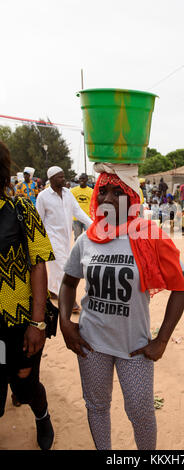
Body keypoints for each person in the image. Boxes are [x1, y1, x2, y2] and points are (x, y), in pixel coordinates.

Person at [58, 168, 184, 450]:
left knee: (141, 412)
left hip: (135, 348)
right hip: (91, 344)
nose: (107, 198)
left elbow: (180, 286)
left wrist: (162, 340)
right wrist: (65, 323)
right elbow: (68, 283)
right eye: (103, 191)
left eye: (118, 192)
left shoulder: (149, 236)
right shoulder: (86, 239)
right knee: (97, 406)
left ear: (133, 198)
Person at [0, 141, 55, 450]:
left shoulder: (21, 209)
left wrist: (38, 323)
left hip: (19, 321)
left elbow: (38, 264)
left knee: (24, 383)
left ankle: (42, 415)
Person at [36, 166, 92, 306]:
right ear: (51, 179)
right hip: (51, 237)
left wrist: (93, 225)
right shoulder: (43, 196)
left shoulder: (68, 193)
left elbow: (78, 212)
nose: (63, 179)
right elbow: (39, 220)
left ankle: (52, 290)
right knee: (62, 266)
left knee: (58, 266)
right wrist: (39, 241)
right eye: (60, 177)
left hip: (66, 237)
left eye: (63, 176)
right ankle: (68, 300)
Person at [70, 173, 94, 241]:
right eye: (80, 178)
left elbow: (94, 204)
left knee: (89, 237)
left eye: (83, 178)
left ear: (86, 180)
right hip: (76, 218)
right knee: (77, 237)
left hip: (87, 217)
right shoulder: (73, 191)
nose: (81, 180)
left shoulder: (91, 191)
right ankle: (77, 251)